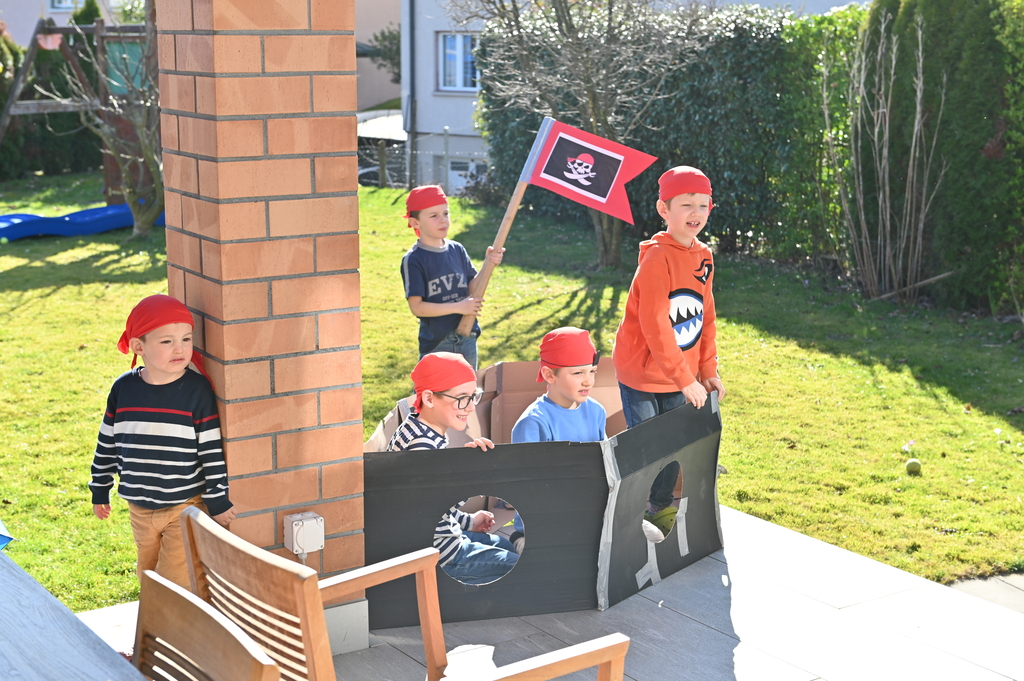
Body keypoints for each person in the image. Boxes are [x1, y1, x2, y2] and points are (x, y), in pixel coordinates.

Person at [89, 295, 236, 589]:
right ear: (138, 346)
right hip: (139, 507)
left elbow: (210, 449)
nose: (179, 348)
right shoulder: (123, 389)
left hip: (184, 504)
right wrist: (100, 487)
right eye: (167, 341)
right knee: (148, 575)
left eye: (186, 339)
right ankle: (157, 617)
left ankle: (183, 618)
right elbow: (107, 442)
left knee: (176, 581)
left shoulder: (196, 391)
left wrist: (218, 499)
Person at [612, 166, 727, 539]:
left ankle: (658, 509)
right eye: (686, 205)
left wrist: (707, 370)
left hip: (682, 375)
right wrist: (684, 377)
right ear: (664, 209)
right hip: (643, 373)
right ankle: (623, 518)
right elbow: (655, 324)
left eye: (703, 205)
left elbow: (706, 317)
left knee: (675, 445)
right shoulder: (657, 258)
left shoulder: (704, 256)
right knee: (647, 449)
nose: (696, 213)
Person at [386, 352, 518, 585]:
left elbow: (432, 504)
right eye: (461, 399)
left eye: (473, 397)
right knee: (515, 564)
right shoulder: (424, 448)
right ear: (429, 398)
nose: (470, 407)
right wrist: (467, 468)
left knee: (504, 544)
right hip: (444, 555)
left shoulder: (415, 425)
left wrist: (470, 521)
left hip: (446, 536)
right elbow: (433, 507)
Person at [400, 185, 504, 369]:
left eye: (446, 213)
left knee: (468, 387)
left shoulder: (457, 249)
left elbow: (471, 288)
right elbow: (417, 307)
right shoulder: (414, 259)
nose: (443, 220)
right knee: (437, 387)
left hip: (467, 337)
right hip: (437, 343)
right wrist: (459, 307)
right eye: (434, 215)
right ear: (415, 223)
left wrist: (488, 264)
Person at [511, 327, 606, 444]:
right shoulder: (534, 422)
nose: (588, 382)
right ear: (549, 375)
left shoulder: (596, 410)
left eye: (592, 371)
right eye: (578, 373)